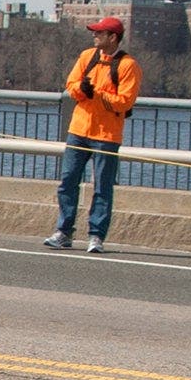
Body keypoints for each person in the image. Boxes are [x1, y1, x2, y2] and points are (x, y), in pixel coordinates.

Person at [42, 15, 139, 252]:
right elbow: (71, 84)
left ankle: (96, 236)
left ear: (112, 37)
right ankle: (64, 231)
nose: (94, 36)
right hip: (79, 129)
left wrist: (99, 93)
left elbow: (125, 102)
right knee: (68, 181)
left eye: (99, 33)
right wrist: (81, 90)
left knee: (102, 187)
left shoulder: (128, 66)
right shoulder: (87, 56)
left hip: (106, 135)